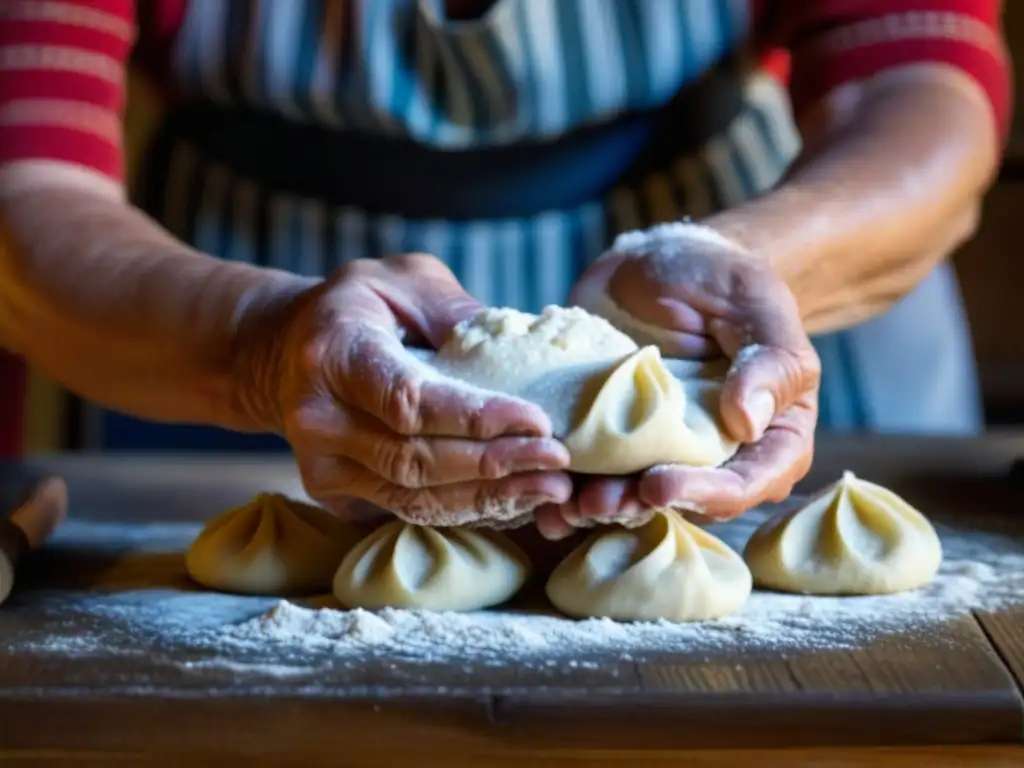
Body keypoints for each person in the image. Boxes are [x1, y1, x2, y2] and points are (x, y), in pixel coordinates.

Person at [0, 1, 1009, 541]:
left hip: (728, 282)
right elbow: (22, 176)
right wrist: (262, 350)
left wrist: (749, 256)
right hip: (224, 298)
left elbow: (916, 76)